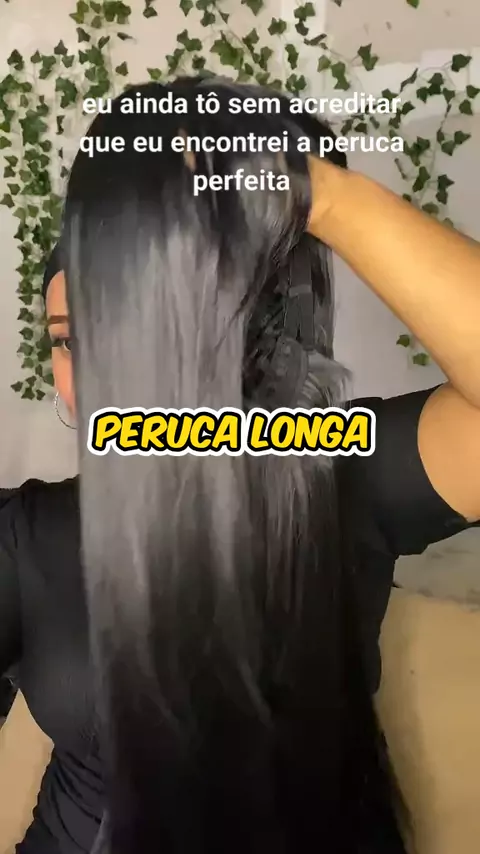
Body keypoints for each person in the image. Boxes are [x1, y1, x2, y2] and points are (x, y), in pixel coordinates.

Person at [0, 77, 479, 854]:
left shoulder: (340, 476)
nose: (96, 376)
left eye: (132, 329)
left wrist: (317, 192)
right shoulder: (24, 539)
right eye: (67, 341)